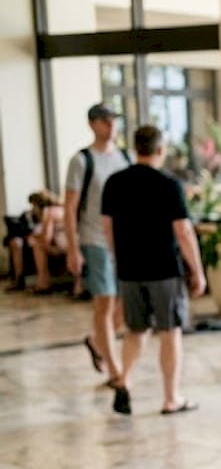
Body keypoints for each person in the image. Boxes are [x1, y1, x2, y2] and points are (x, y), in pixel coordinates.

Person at [100, 125, 206, 416]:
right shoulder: (169, 185)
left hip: (130, 270)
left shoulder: (115, 183)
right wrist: (197, 270)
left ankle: (124, 380)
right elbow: (183, 231)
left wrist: (116, 257)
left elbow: (107, 227)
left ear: (136, 149)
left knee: (135, 331)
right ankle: (171, 398)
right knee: (169, 333)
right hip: (164, 270)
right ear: (160, 150)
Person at [64, 102, 132, 386]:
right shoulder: (81, 161)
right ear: (93, 124)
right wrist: (73, 248)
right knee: (104, 303)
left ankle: (96, 341)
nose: (112, 125)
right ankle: (115, 371)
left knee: (127, 303)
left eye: (114, 120)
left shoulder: (125, 158)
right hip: (95, 240)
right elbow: (70, 208)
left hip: (124, 241)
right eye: (106, 121)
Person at [28, 190, 68, 294]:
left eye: (33, 205)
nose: (32, 209)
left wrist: (33, 238)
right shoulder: (63, 209)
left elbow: (46, 237)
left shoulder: (48, 212)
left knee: (37, 245)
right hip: (72, 244)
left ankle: (43, 283)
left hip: (63, 247)